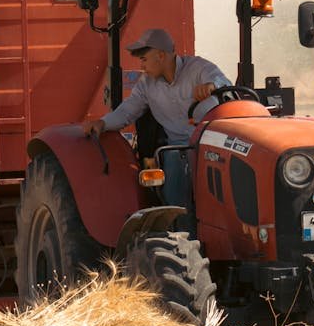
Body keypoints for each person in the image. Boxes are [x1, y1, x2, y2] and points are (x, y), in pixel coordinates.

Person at [81, 28, 231, 205]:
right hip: (179, 150)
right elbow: (127, 110)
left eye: (144, 59)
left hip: (213, 144)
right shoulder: (146, 85)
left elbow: (224, 84)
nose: (141, 66)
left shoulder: (199, 69)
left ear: (160, 55)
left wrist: (211, 86)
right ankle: (181, 226)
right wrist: (103, 123)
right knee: (175, 160)